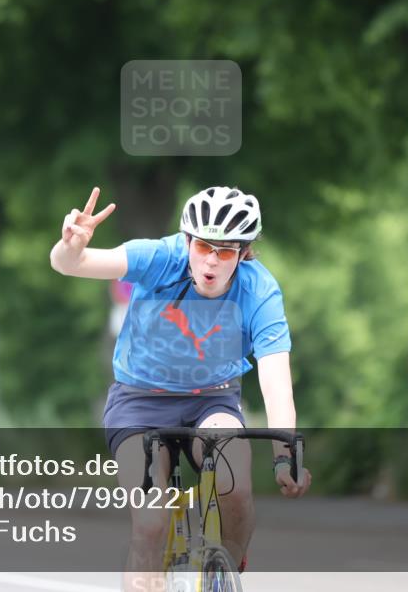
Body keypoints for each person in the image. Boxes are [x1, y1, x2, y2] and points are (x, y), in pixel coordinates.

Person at [50, 186, 312, 591]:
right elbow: (71, 264)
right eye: (203, 246)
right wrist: (71, 246)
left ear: (244, 252)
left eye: (225, 251)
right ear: (187, 240)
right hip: (138, 403)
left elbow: (276, 379)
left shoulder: (259, 290)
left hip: (212, 400)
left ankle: (224, 572)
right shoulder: (159, 257)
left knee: (236, 485)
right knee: (151, 521)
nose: (211, 260)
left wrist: (284, 455)